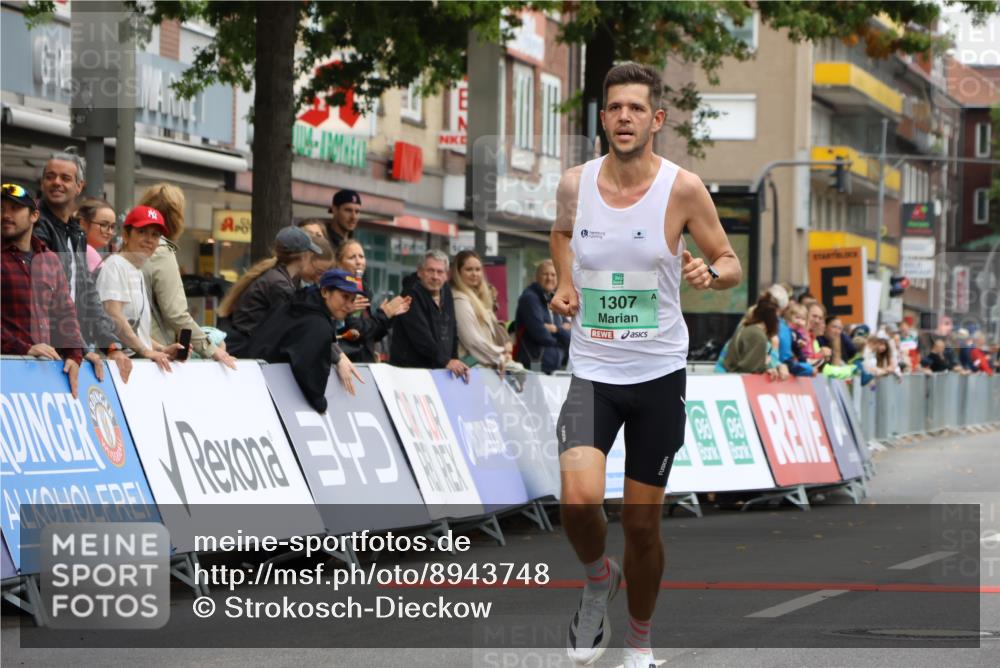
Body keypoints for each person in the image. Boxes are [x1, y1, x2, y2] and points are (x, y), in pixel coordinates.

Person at [549, 62, 742, 668]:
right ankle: (596, 579)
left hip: (658, 373)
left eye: (636, 108)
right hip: (592, 369)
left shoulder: (683, 188)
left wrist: (708, 273)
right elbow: (559, 234)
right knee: (577, 502)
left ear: (656, 119)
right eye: (614, 108)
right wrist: (562, 280)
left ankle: (639, 641)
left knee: (640, 526)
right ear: (602, 118)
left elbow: (730, 260)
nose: (624, 117)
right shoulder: (574, 184)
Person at [31, 149, 131, 379]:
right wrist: (79, 348)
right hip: (40, 354)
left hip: (69, 351)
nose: (56, 182)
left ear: (79, 186)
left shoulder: (76, 232)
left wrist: (111, 346)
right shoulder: (34, 226)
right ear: (43, 182)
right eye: (50, 176)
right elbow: (49, 299)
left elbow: (89, 295)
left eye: (65, 178)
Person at [137, 184, 237, 369]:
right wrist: (212, 349)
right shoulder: (160, 251)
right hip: (154, 357)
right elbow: (176, 314)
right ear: (177, 217)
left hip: (132, 348)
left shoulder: (131, 248)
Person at [1, 182, 86, 396]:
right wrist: (23, 348)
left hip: (41, 378)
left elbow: (65, 313)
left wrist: (75, 355)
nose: (6, 215)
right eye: (1, 208)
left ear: (34, 216)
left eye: (15, 208)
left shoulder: (49, 259)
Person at [244, 269, 363, 413]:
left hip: (252, 381)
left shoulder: (300, 302)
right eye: (344, 297)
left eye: (352, 299)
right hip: (265, 396)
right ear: (325, 292)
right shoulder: (317, 324)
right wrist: (321, 404)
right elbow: (310, 378)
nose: (350, 306)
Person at [95, 206, 183, 373]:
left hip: (133, 365)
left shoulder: (136, 270)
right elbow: (113, 316)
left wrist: (161, 349)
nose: (149, 240)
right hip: (115, 367)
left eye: (155, 235)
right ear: (126, 235)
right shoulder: (115, 265)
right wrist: (145, 351)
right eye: (142, 232)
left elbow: (135, 330)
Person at [217, 226, 322, 356]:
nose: (311, 256)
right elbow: (292, 327)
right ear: (302, 256)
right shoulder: (279, 284)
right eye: (310, 252)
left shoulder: (273, 275)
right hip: (245, 352)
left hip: (242, 348)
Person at [390, 249, 470, 381]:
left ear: (446, 275)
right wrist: (446, 361)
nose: (435, 276)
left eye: (440, 272)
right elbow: (421, 338)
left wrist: (454, 360)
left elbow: (452, 330)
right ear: (420, 272)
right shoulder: (410, 294)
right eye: (430, 271)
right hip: (410, 374)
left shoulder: (446, 291)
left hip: (439, 373)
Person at [451, 250, 526, 377]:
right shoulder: (459, 299)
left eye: (478, 269)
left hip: (485, 366)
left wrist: (503, 351)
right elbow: (472, 341)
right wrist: (499, 355)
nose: (474, 274)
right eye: (469, 269)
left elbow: (494, 331)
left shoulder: (480, 298)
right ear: (458, 272)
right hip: (470, 369)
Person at [334, 239, 410, 363]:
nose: (359, 262)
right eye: (352, 257)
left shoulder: (364, 289)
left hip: (365, 362)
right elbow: (357, 332)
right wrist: (383, 315)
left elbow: (371, 335)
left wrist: (389, 317)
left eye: (361, 256)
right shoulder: (339, 291)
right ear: (339, 264)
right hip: (346, 362)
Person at [515, 259, 571, 373]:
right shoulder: (530, 299)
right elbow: (540, 333)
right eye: (545, 274)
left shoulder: (554, 298)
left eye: (553, 275)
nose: (549, 278)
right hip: (535, 366)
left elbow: (570, 334)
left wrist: (555, 329)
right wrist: (561, 341)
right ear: (537, 277)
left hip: (554, 367)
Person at [721, 297, 787, 378]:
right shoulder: (757, 336)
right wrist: (766, 369)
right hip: (739, 380)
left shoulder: (746, 329)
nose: (778, 322)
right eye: (777, 318)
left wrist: (777, 366)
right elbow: (750, 368)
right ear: (771, 318)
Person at [75, 197, 116, 273]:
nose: (110, 232)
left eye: (112, 227)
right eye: (103, 225)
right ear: (83, 223)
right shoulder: (88, 251)